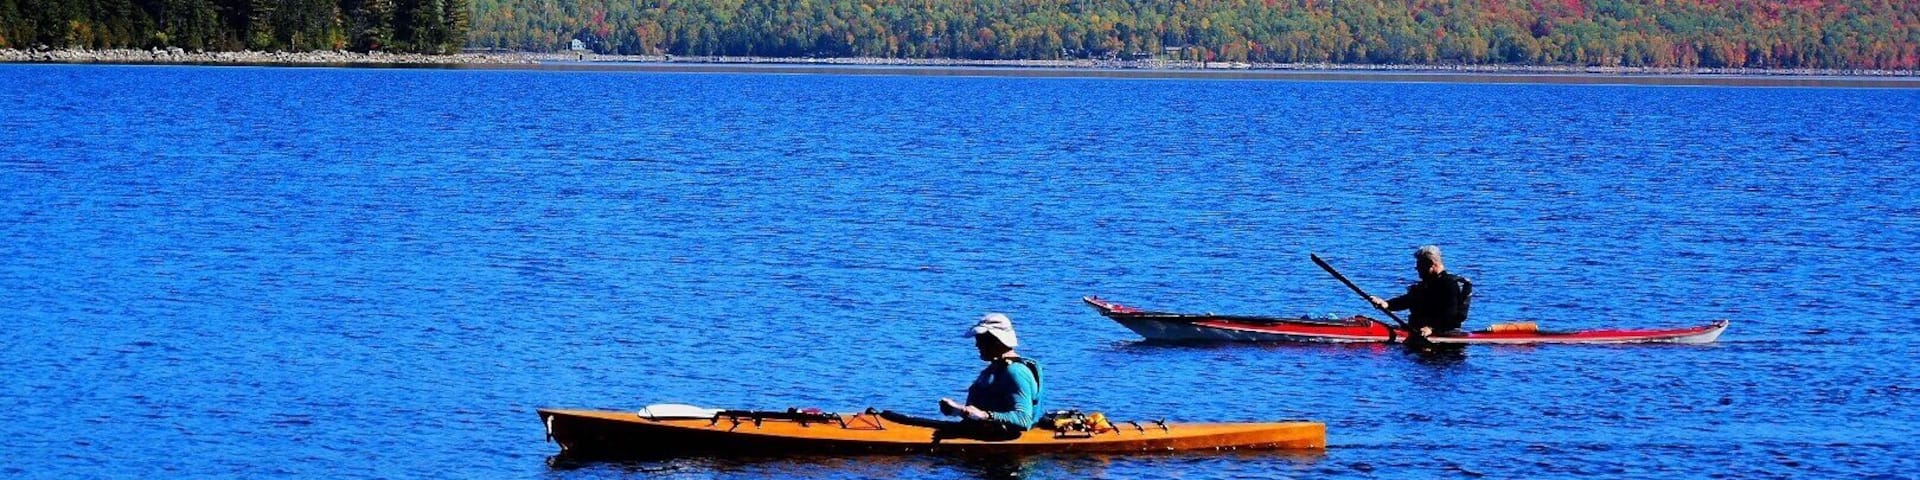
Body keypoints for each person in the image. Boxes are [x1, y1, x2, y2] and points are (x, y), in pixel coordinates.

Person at [936, 312, 1042, 439]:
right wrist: (957, 411)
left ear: (996, 341)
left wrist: (986, 416)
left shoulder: (1016, 372)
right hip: (983, 432)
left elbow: (1023, 420)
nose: (976, 345)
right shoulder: (993, 369)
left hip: (1007, 442)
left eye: (980, 339)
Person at [1368, 245, 1471, 337]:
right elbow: (1409, 300)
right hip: (1417, 329)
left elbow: (1451, 316)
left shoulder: (1449, 284)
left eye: (1419, 265)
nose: (1416, 268)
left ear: (1431, 264)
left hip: (1441, 337)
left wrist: (1431, 328)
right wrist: (1386, 304)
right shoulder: (1427, 283)